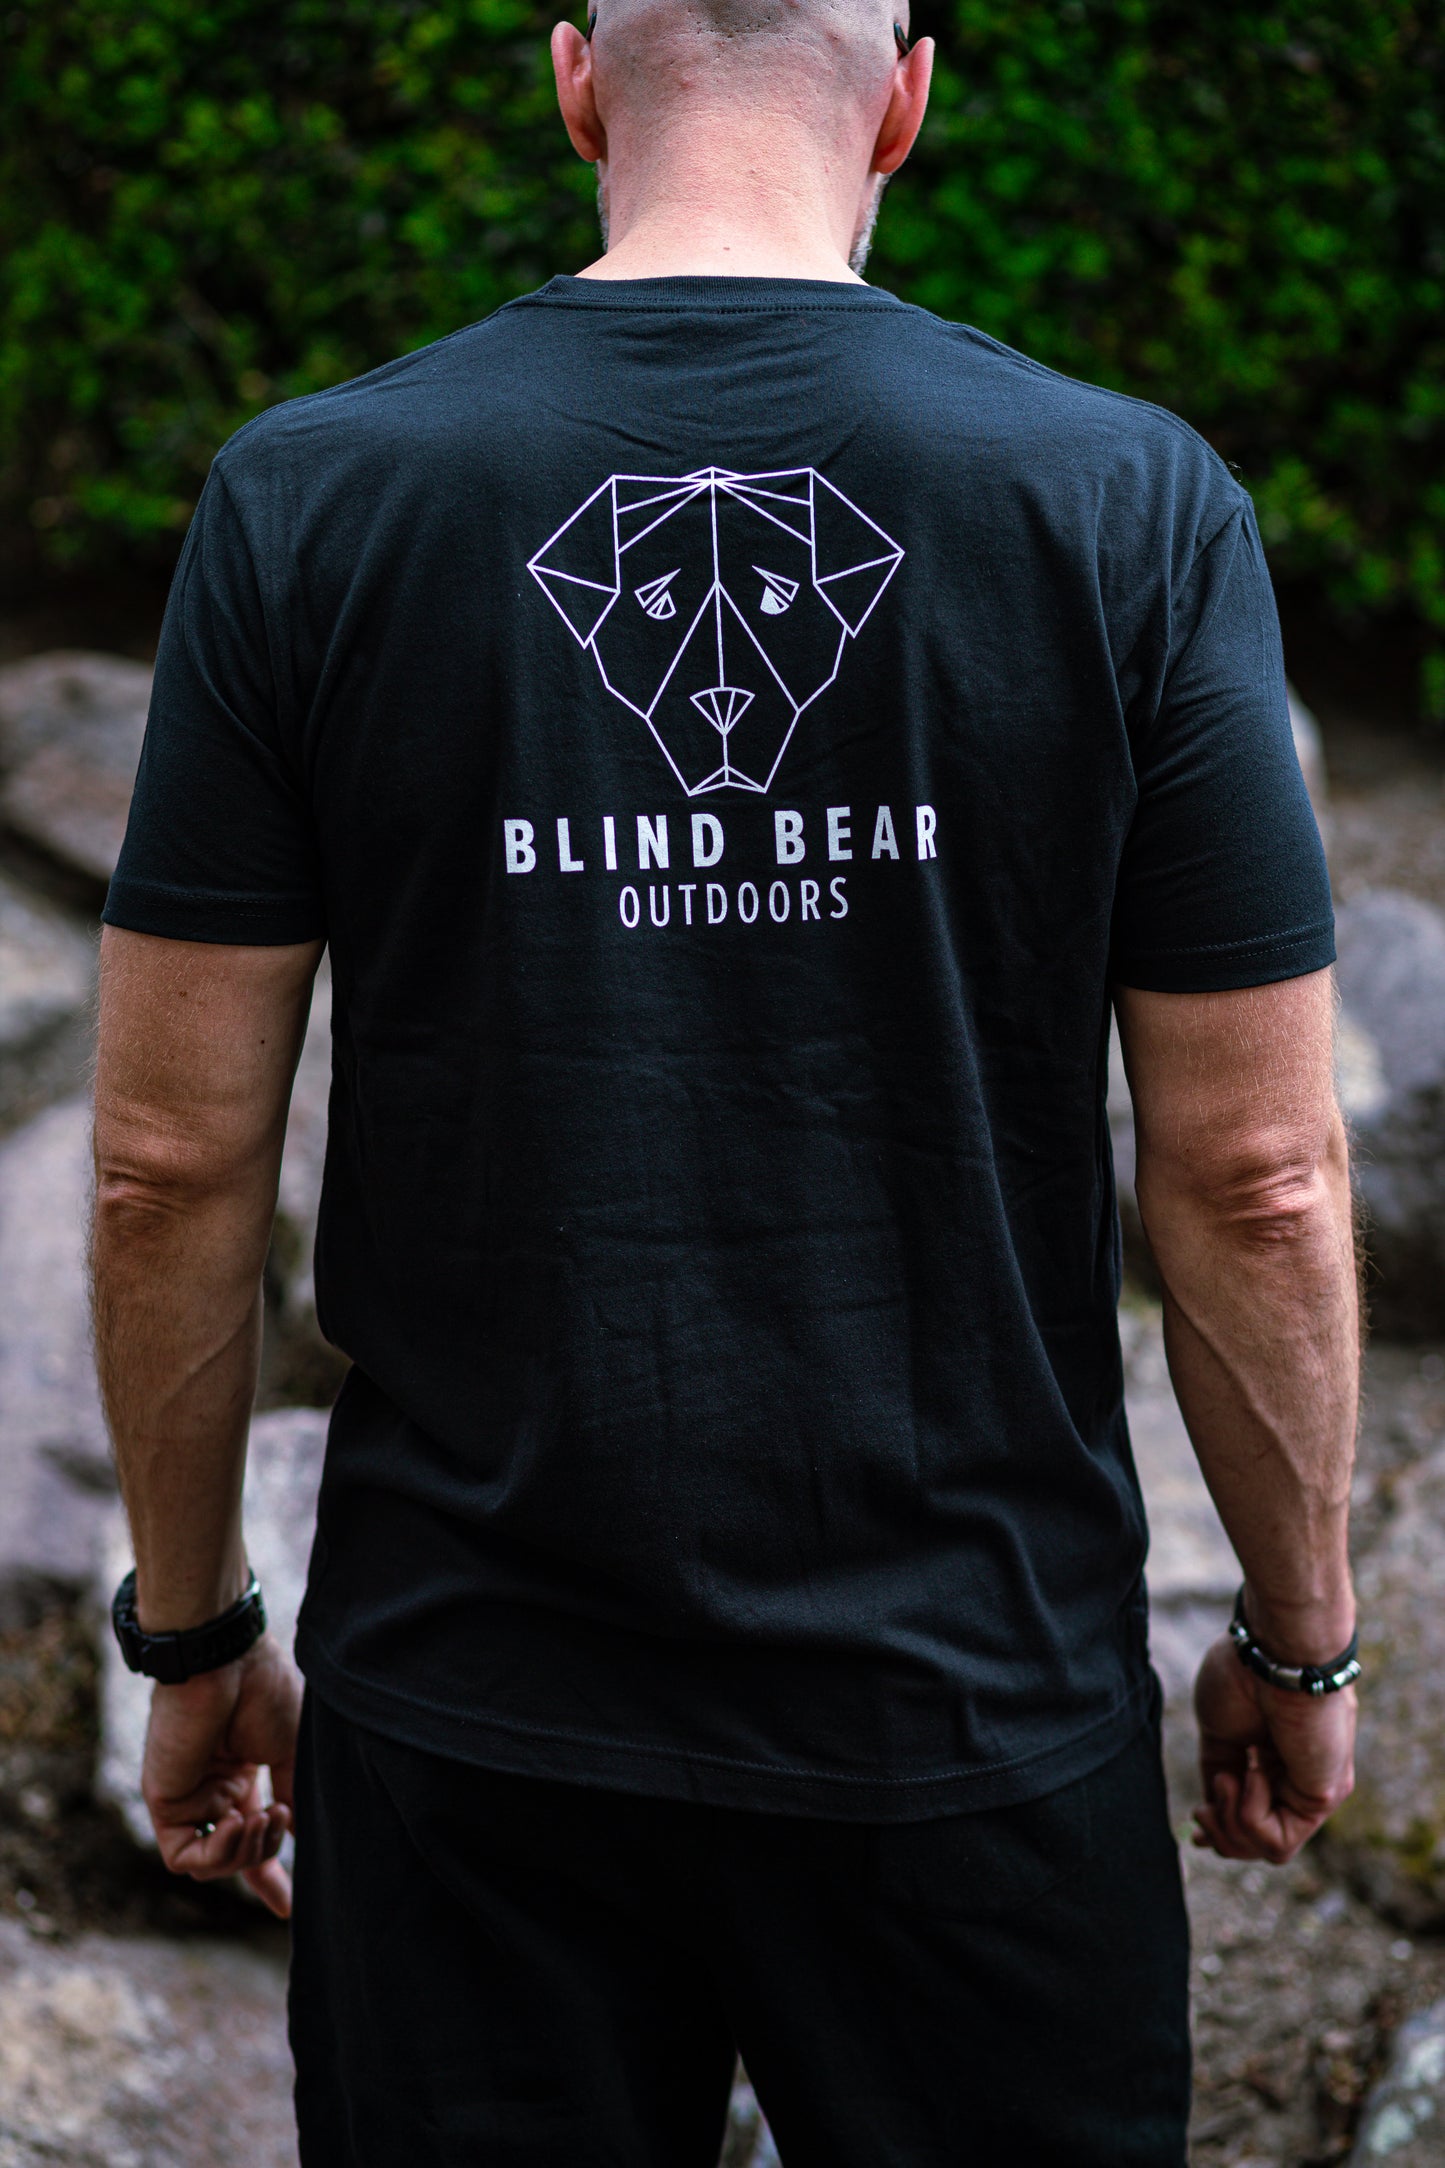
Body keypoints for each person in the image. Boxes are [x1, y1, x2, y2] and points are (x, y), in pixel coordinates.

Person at [90, 0, 1361, 2159]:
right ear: (907, 99)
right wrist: (1299, 1637)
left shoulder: (312, 498)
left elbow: (162, 1163)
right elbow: (1260, 1176)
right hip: (972, 1710)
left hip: (471, 1719)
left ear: (576, 80)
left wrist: (197, 1631)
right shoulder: (1128, 503)